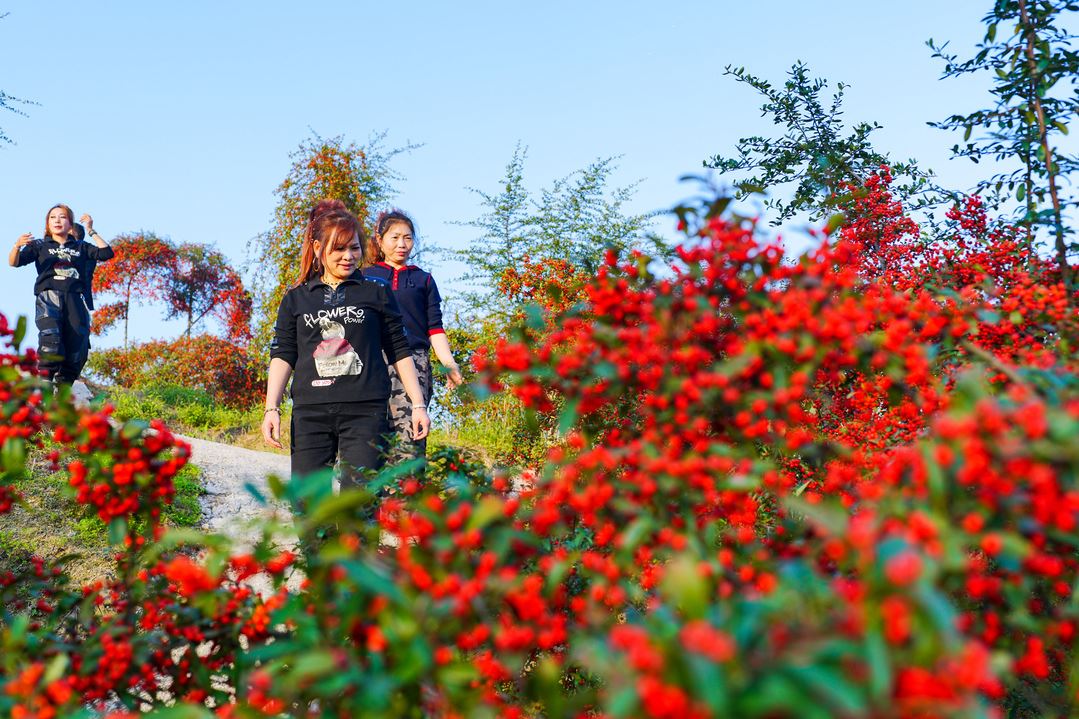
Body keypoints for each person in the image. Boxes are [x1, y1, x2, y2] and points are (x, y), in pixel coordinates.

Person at [261, 199, 431, 487]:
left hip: (365, 411)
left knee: (360, 506)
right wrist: (271, 408)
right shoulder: (296, 298)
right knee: (309, 504)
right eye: (339, 249)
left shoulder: (375, 293)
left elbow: (399, 350)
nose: (349, 256)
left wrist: (418, 405)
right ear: (318, 249)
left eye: (354, 248)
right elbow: (283, 353)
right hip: (310, 412)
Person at [364, 209, 463, 461]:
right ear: (380, 239)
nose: (401, 244)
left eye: (407, 238)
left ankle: (407, 498)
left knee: (409, 441)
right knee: (367, 440)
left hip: (414, 363)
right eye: (394, 237)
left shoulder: (423, 280)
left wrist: (449, 364)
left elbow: (435, 328)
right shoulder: (364, 278)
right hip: (371, 364)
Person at [8, 204, 114, 384]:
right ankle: (45, 386)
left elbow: (106, 253)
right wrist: (17, 246)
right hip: (49, 298)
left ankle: (63, 391)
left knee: (77, 349)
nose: (57, 220)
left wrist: (90, 230)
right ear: (47, 224)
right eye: (53, 217)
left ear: (70, 223)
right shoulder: (40, 246)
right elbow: (14, 262)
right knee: (51, 341)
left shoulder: (80, 246)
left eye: (62, 217)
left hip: (75, 299)